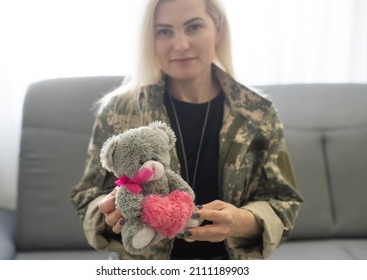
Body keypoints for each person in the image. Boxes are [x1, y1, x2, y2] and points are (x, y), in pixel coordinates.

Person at [70, 0, 303, 260]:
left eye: (193, 27)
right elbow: (86, 197)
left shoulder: (257, 113)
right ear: (151, 39)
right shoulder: (120, 110)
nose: (180, 45)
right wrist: (108, 213)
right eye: (164, 31)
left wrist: (240, 221)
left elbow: (282, 201)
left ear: (218, 29)